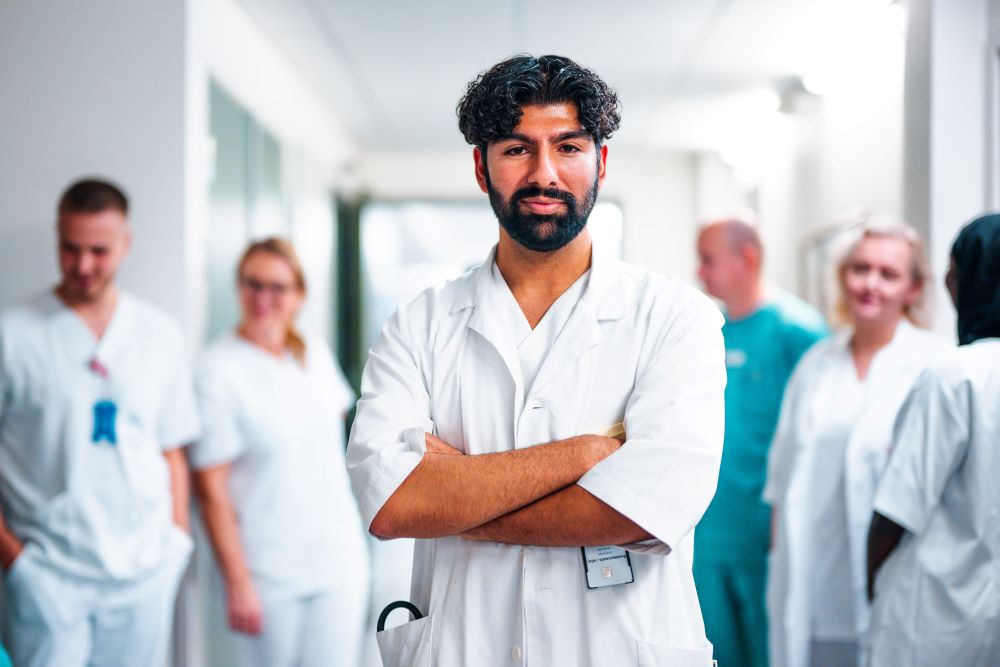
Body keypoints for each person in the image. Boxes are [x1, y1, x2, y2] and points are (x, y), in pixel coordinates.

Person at [347, 54, 726, 666]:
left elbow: (646, 511)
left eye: (568, 147)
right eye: (517, 149)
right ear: (482, 167)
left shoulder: (675, 318)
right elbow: (393, 505)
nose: (543, 173)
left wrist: (454, 497)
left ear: (600, 162)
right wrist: (585, 456)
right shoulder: (420, 324)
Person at [0, 178, 199, 667]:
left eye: (99, 251)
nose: (83, 265)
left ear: (125, 244)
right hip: (48, 572)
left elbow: (171, 449)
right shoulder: (14, 335)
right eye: (70, 249)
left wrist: (176, 541)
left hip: (144, 569)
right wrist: (17, 562)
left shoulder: (159, 334)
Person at [763, 219, 952, 667]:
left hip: (898, 587)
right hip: (813, 588)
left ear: (913, 288)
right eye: (860, 268)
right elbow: (782, 483)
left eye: (888, 274)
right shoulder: (815, 365)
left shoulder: (937, 365)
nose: (870, 284)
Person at [191, 238, 369, 667]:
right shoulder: (217, 369)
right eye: (252, 284)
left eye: (277, 287)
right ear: (238, 288)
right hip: (266, 573)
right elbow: (211, 492)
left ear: (299, 295)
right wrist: (237, 581)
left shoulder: (312, 353)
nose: (263, 297)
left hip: (338, 562)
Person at [866, 213, 1000, 666]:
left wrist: (871, 582)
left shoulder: (955, 375)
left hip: (927, 617)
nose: (947, 281)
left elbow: (895, 512)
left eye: (954, 269)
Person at [694, 218, 828, 667]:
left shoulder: (799, 333)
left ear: (747, 258)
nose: (700, 272)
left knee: (768, 651)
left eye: (708, 260)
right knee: (715, 651)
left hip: (767, 534)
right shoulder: (709, 333)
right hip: (709, 533)